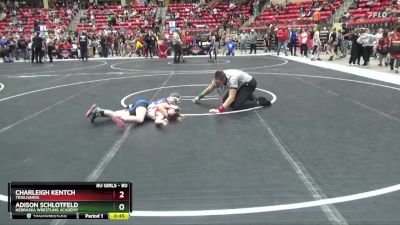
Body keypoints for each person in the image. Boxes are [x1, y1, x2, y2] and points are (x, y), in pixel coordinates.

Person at [192, 70, 271, 113]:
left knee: (237, 106)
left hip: (249, 84)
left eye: (218, 83)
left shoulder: (232, 79)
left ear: (223, 80)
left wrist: (219, 110)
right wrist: (198, 97)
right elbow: (210, 88)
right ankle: (248, 95)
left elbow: (232, 97)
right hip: (241, 84)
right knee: (225, 101)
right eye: (216, 82)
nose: (217, 85)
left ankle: (258, 101)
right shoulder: (217, 79)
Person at [86, 94, 183, 127]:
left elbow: (157, 121)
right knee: (140, 119)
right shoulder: (165, 106)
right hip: (143, 105)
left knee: (115, 114)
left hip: (139, 107)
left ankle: (97, 110)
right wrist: (167, 113)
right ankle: (124, 119)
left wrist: (162, 122)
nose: (173, 108)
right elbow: (161, 106)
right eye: (173, 107)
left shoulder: (161, 116)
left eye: (174, 111)